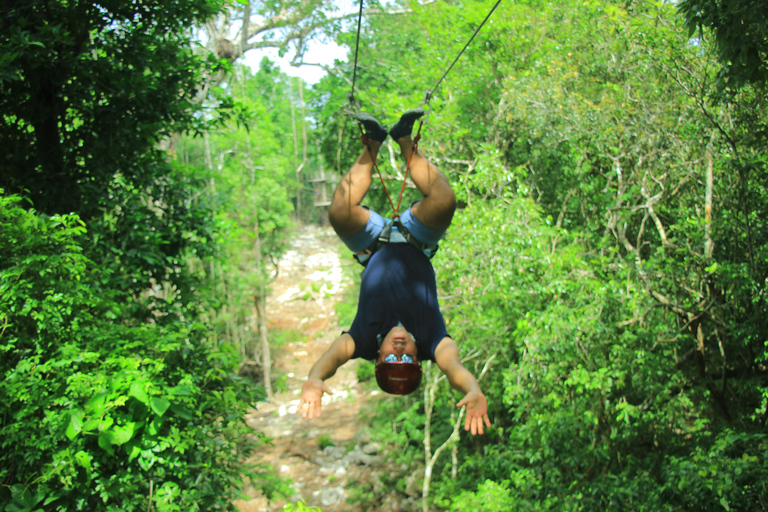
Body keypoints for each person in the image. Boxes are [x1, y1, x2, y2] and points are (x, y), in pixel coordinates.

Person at [297, 109, 491, 436]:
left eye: (391, 360)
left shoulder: (361, 340)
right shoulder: (432, 342)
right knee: (444, 200)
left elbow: (333, 356)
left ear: (377, 360)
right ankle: (404, 139)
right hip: (417, 241)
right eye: (407, 361)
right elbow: (453, 367)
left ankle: (372, 143)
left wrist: (315, 379)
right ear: (418, 359)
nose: (398, 352)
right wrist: (472, 389)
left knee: (340, 212)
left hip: (373, 245)